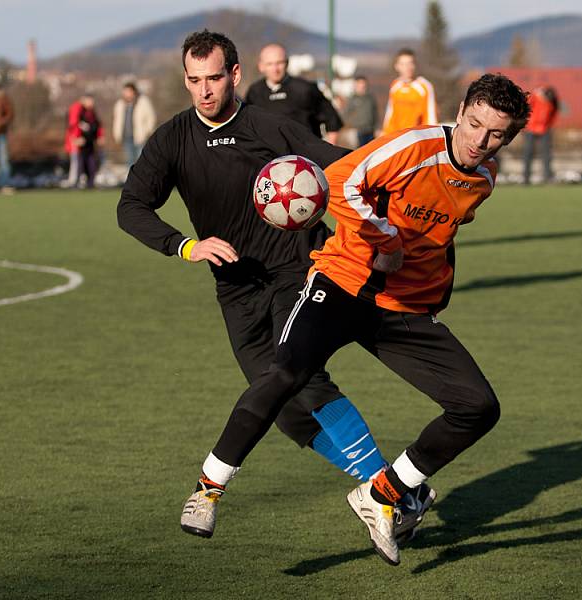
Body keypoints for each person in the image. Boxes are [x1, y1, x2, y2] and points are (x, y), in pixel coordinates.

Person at [185, 73, 531, 566]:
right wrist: (385, 239)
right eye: (474, 124)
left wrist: (435, 295)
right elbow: (339, 181)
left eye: (495, 134)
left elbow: (438, 240)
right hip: (342, 284)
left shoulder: (484, 181)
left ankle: (384, 493)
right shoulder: (413, 145)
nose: (479, 141)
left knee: (478, 407)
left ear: (509, 137)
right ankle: (208, 490)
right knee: (286, 374)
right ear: (460, 111)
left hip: (402, 310)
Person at [117, 30, 432, 542]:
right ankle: (398, 491)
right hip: (235, 286)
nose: (204, 90)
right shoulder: (173, 138)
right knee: (283, 412)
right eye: (194, 80)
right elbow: (131, 206)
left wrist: (409, 168)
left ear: (235, 75)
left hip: (298, 269)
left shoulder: (268, 126)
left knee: (301, 378)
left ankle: (386, 494)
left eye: (214, 78)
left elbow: (341, 161)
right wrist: (186, 246)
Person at [245, 43, 342, 144]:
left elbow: (332, 121)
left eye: (279, 63)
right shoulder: (255, 92)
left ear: (287, 63)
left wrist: (328, 151)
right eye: (270, 64)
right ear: (261, 66)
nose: (275, 69)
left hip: (304, 154)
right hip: (269, 155)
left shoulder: (305, 89)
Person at [382, 48, 437, 135]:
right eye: (403, 64)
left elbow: (431, 117)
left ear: (415, 65)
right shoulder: (395, 86)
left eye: (410, 63)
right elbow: (390, 114)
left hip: (416, 138)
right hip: (396, 137)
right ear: (396, 66)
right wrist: (385, 134)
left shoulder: (425, 86)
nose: (407, 67)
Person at [112, 82, 156, 167]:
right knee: (130, 161)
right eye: (125, 92)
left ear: (134, 91)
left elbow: (151, 118)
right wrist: (117, 134)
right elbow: (116, 120)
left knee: (142, 161)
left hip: (140, 138)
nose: (126, 94)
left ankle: (143, 179)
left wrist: (147, 132)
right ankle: (132, 180)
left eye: (128, 91)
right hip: (126, 137)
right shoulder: (120, 104)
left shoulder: (143, 101)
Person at [522, 85, 559, 184]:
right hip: (531, 129)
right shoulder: (535, 97)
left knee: (546, 155)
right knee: (528, 154)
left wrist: (549, 126)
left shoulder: (553, 100)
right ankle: (526, 179)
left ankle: (547, 178)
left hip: (545, 130)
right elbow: (526, 107)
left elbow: (554, 114)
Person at [75, 95, 104, 188]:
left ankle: (91, 183)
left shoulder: (93, 113)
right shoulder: (81, 113)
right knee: (81, 164)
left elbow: (98, 126)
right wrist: (77, 138)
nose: (91, 103)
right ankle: (79, 182)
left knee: (92, 164)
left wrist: (100, 137)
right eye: (89, 101)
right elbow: (75, 126)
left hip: (91, 143)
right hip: (82, 143)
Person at [343, 75, 379, 147]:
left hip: (370, 131)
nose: (362, 86)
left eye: (363, 84)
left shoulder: (370, 98)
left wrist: (377, 128)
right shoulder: (352, 99)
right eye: (359, 84)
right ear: (355, 85)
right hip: (358, 132)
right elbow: (346, 115)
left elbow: (375, 113)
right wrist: (352, 126)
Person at [63, 98, 84, 187]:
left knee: (76, 161)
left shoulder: (77, 110)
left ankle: (74, 179)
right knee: (75, 161)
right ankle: (73, 180)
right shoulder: (77, 109)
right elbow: (73, 124)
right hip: (74, 141)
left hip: (74, 140)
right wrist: (75, 139)